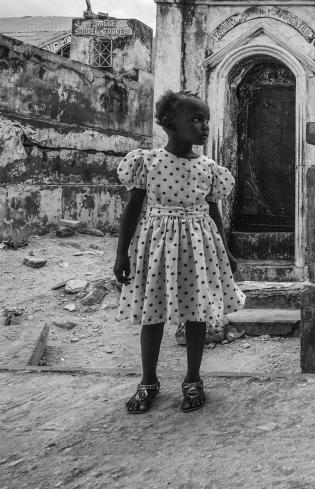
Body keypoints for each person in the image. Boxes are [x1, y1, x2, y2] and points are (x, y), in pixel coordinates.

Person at [113, 90, 245, 413]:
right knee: (152, 313)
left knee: (196, 313)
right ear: (170, 123)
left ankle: (193, 379)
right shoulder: (149, 163)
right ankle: (148, 380)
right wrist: (122, 253)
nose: (204, 126)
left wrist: (225, 251)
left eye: (206, 120)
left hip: (198, 249)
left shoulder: (209, 169)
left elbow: (212, 211)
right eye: (196, 119)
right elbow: (132, 210)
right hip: (157, 248)